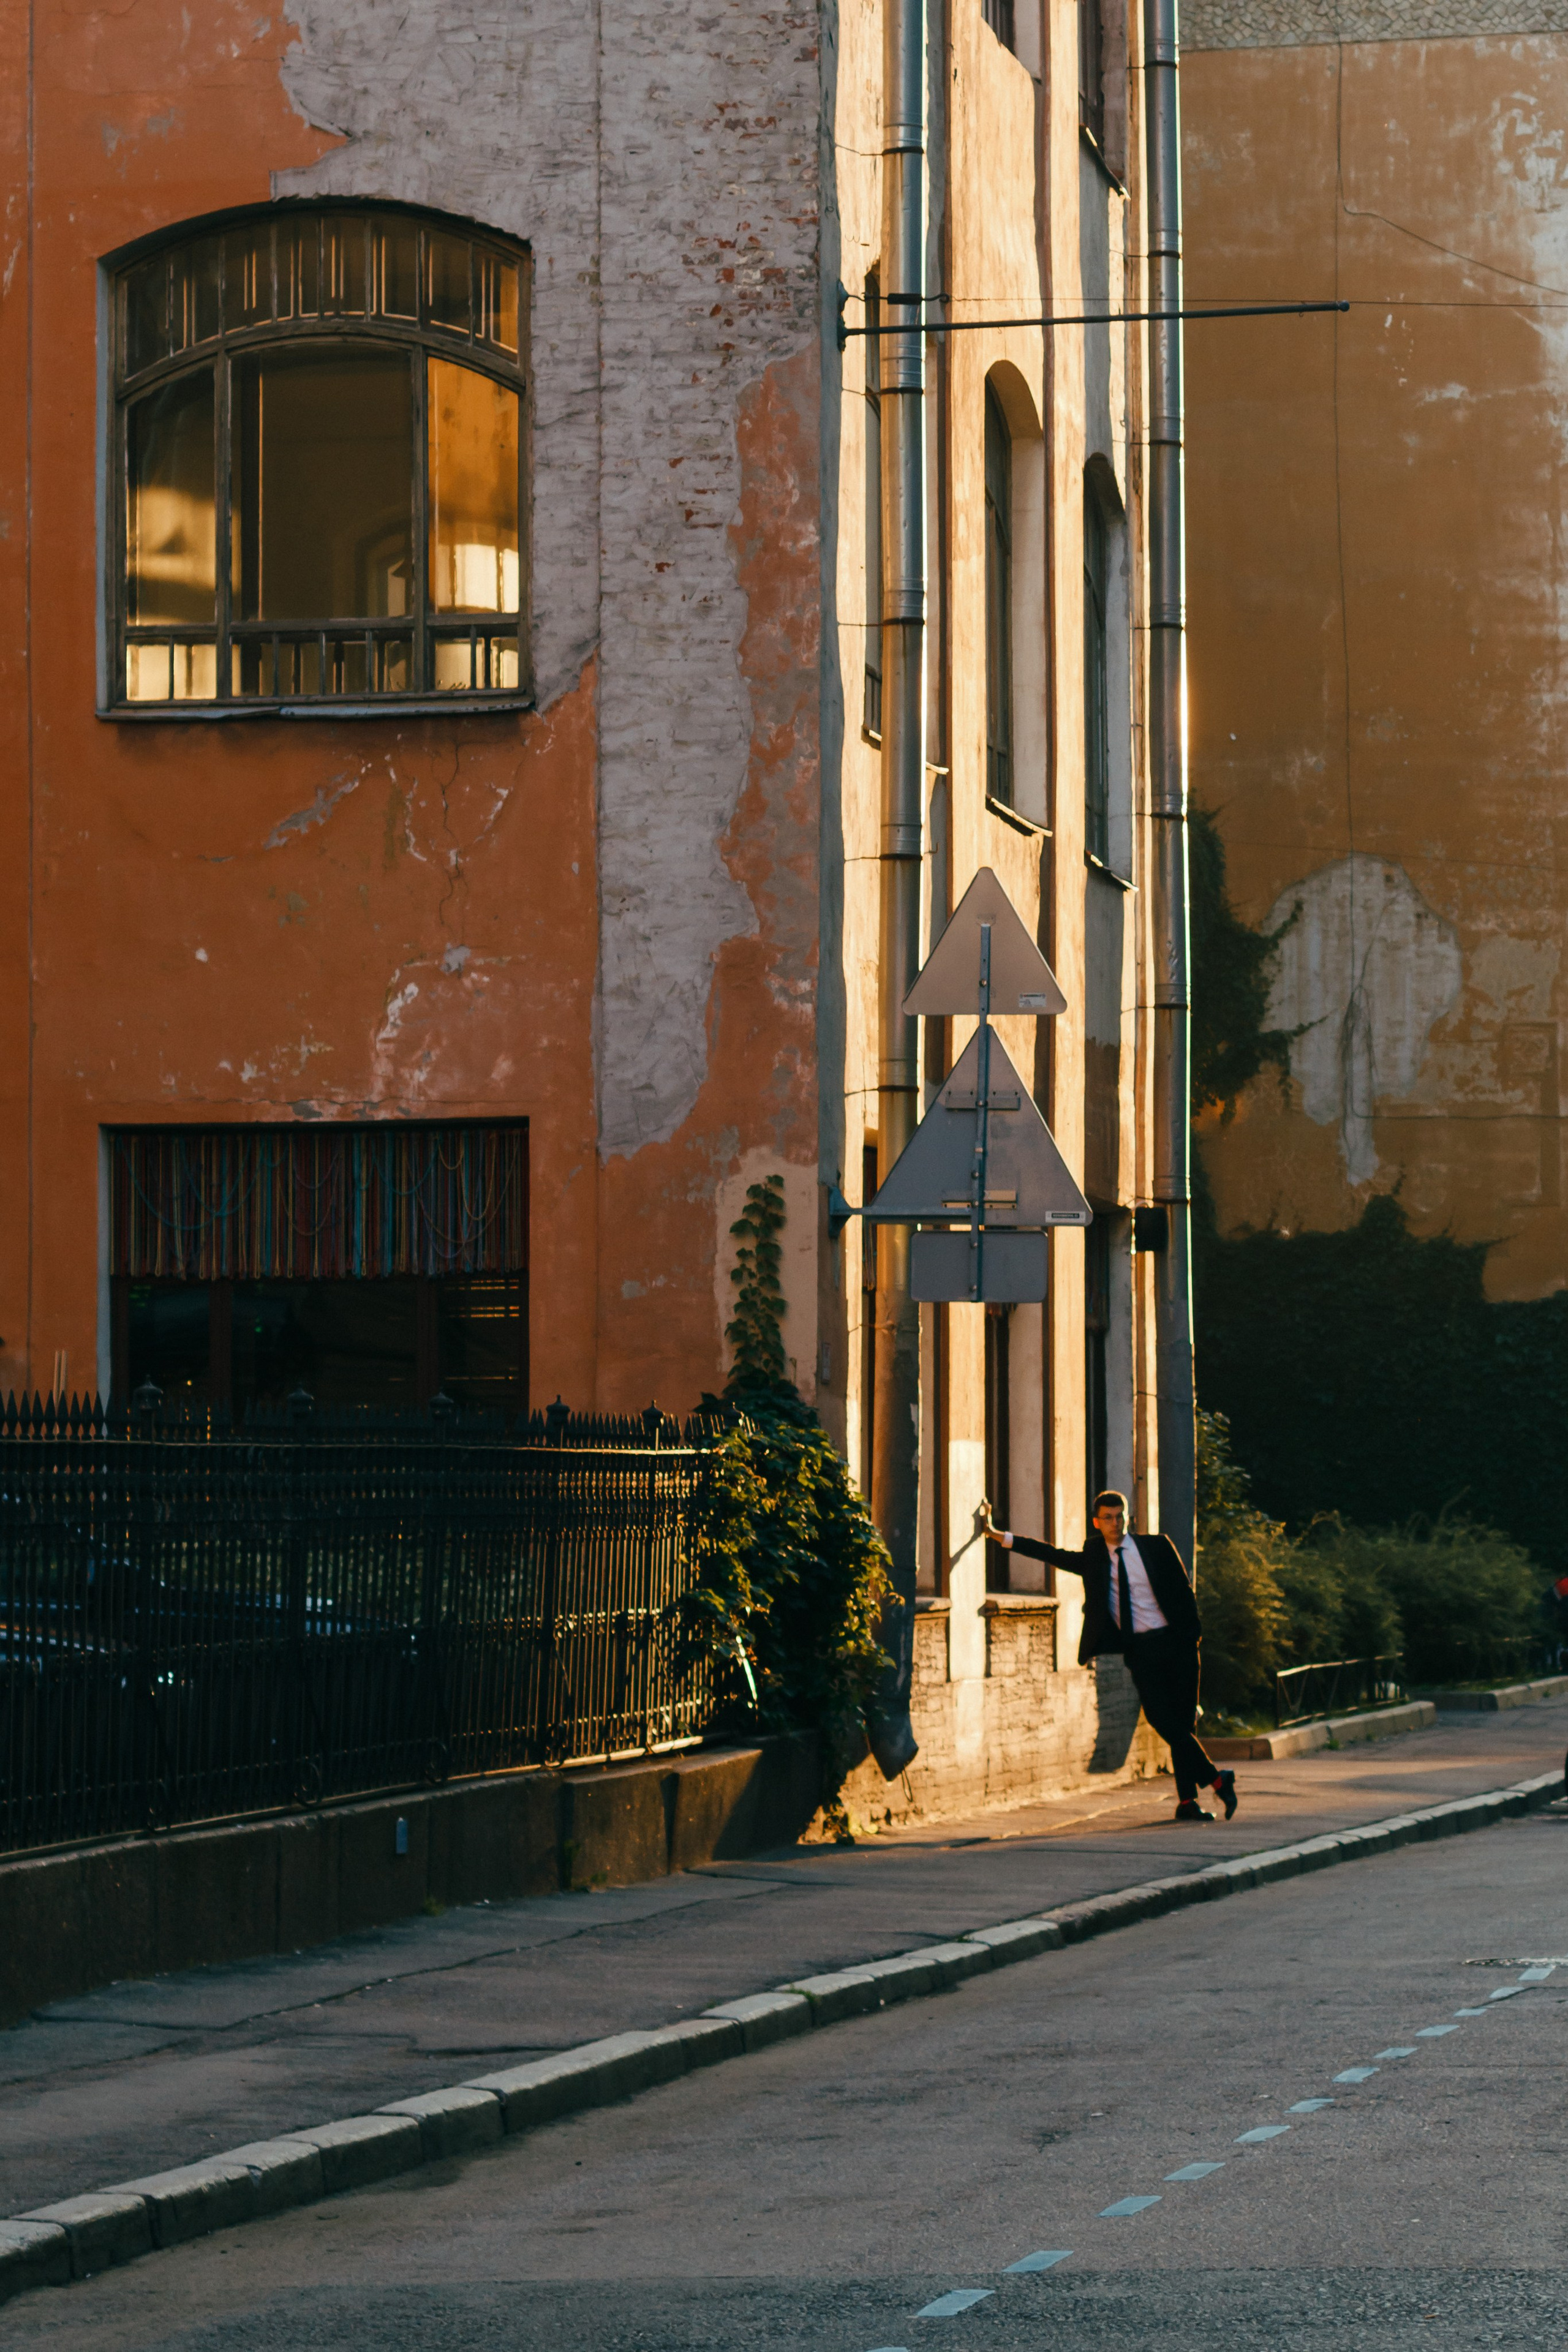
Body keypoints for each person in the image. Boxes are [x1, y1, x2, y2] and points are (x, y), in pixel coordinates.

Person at [979, 1488, 1237, 1823]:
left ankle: (1188, 1802)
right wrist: (998, 1536)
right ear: (1097, 1523)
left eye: (1120, 1516)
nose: (1116, 1524)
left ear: (1128, 1517)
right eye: (1108, 1518)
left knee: (1183, 1724)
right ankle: (1218, 1779)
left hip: (1178, 1646)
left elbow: (1184, 1591)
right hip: (1141, 1651)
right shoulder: (1094, 1557)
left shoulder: (1157, 1547)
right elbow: (1051, 1554)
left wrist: (1192, 1638)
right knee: (1163, 1720)